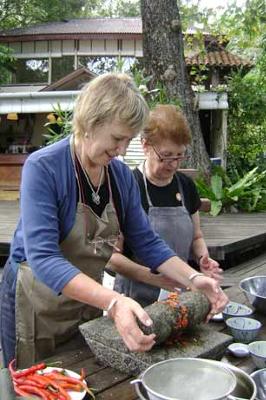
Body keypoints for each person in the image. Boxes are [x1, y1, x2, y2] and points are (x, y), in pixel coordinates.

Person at [0, 74, 227, 369]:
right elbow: (43, 257)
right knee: (33, 383)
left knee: (83, 376)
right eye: (118, 138)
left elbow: (146, 242)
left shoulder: (119, 177)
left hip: (87, 298)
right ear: (91, 122)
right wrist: (113, 301)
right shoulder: (44, 168)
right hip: (33, 302)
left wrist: (194, 279)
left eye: (129, 140)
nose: (121, 150)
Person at [113, 104, 223, 307]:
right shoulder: (128, 186)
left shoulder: (186, 185)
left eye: (179, 156)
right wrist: (154, 278)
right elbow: (113, 257)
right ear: (145, 145)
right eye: (165, 156)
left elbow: (196, 236)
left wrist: (202, 259)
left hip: (178, 292)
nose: (172, 164)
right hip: (135, 297)